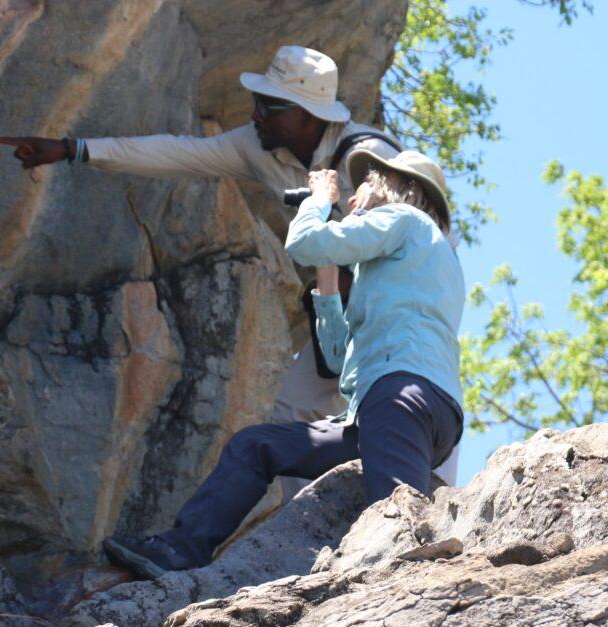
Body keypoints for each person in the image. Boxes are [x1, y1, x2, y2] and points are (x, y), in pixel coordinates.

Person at [0, 45, 401, 426]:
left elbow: (423, 240)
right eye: (257, 102)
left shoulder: (368, 156)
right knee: (289, 415)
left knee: (392, 410)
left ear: (307, 116)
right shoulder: (257, 147)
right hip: (340, 305)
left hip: (401, 304)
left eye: (268, 106)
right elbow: (175, 153)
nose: (255, 114)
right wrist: (71, 149)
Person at [105, 148, 465, 579]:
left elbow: (303, 242)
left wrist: (319, 200)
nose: (356, 194)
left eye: (365, 184)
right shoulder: (421, 261)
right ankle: (179, 549)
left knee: (399, 543)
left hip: (397, 399)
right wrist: (328, 283)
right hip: (394, 409)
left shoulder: (406, 221)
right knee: (256, 447)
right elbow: (335, 358)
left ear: (392, 188)